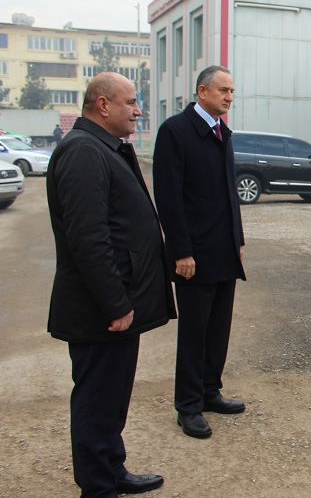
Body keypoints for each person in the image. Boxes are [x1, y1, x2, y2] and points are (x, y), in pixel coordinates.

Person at [47, 72, 175, 497]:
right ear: (103, 105)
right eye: (131, 102)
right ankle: (98, 486)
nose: (138, 110)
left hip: (118, 305)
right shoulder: (83, 151)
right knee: (97, 401)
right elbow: (88, 238)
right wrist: (115, 304)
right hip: (100, 311)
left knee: (112, 398)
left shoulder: (103, 147)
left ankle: (111, 468)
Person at [153, 65, 246, 439]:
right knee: (194, 332)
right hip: (194, 255)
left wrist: (238, 241)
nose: (229, 97)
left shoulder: (222, 132)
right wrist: (181, 251)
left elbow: (229, 194)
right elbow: (169, 196)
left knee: (218, 328)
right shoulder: (176, 131)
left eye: (232, 91)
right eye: (223, 90)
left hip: (223, 250)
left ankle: (210, 391)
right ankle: (188, 405)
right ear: (202, 91)